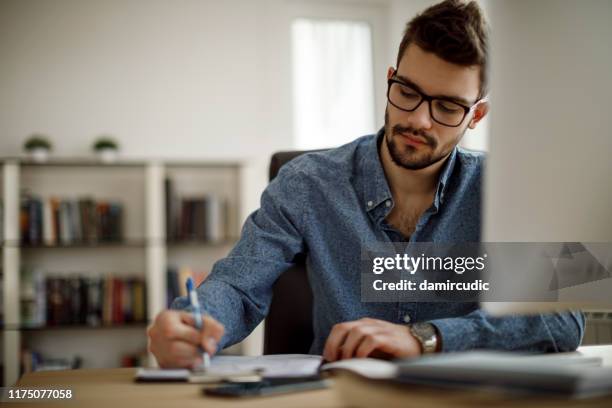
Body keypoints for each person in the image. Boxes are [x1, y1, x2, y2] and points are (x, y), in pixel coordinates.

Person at [147, 0, 584, 368]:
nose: (417, 119)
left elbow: (564, 317)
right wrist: (189, 322)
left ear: (477, 116)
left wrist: (426, 338)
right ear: (390, 78)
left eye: (448, 107)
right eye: (408, 91)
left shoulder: (505, 188)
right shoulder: (306, 183)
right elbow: (239, 286)